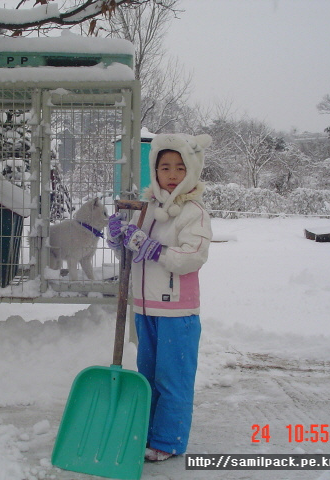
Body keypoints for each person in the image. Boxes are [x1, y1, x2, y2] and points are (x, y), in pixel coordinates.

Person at [107, 133, 213, 462]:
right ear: (154, 170)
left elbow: (193, 255)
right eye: (164, 167)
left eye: (180, 168)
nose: (171, 174)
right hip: (145, 306)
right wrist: (118, 237)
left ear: (191, 171)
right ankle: (146, 433)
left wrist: (153, 248)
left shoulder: (193, 211)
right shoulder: (147, 206)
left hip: (178, 311)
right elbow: (133, 244)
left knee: (173, 377)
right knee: (148, 375)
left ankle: (168, 440)